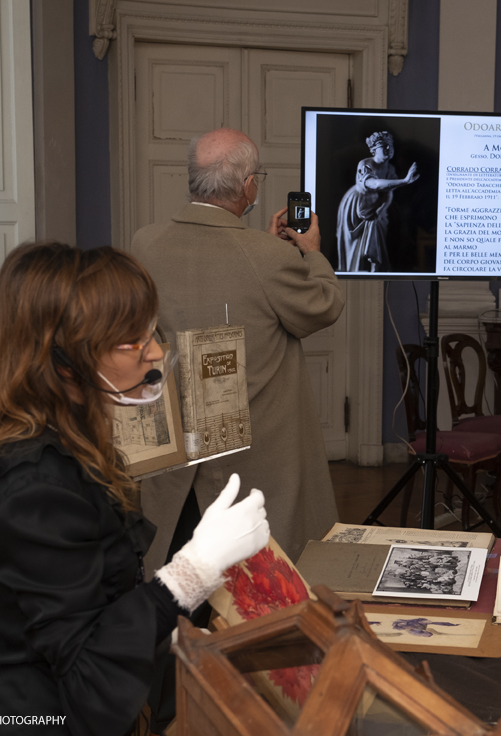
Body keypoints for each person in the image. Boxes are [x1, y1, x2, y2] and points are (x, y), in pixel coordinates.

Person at [0, 243, 270, 735]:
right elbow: (88, 677)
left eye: (150, 330)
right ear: (64, 360)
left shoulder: (66, 443)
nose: (154, 351)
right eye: (130, 340)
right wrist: (193, 571)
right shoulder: (33, 485)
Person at [130, 127, 344, 564]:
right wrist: (312, 252)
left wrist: (265, 249)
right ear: (249, 187)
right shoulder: (267, 256)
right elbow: (323, 305)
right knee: (252, 563)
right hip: (245, 444)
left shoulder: (143, 242)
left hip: (168, 431)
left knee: (176, 544)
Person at [336, 131, 419, 272]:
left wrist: (380, 210)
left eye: (390, 146)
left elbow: (388, 194)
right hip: (358, 206)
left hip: (377, 206)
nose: (388, 148)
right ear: (374, 150)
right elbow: (374, 184)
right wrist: (404, 181)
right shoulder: (365, 164)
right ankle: (357, 271)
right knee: (357, 246)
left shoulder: (390, 168)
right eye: (383, 146)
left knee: (378, 243)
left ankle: (373, 270)